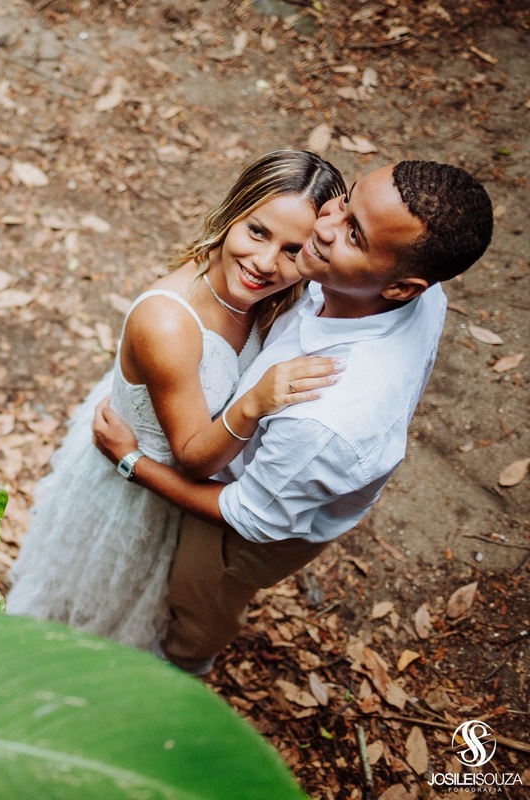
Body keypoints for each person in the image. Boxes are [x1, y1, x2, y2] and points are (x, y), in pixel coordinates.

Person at [92, 160, 494, 674]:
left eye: (353, 233)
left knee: (197, 606)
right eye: (346, 202)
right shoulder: (378, 285)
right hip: (239, 456)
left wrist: (131, 462)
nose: (321, 229)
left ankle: (173, 675)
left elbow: (251, 516)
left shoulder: (325, 419)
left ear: (401, 288)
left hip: (234, 523)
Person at [4, 150, 346, 650]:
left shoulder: (264, 295)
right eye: (256, 231)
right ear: (232, 215)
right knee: (87, 613)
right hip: (137, 488)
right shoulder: (168, 323)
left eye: (293, 250)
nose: (266, 263)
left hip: (177, 491)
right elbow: (190, 458)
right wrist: (253, 402)